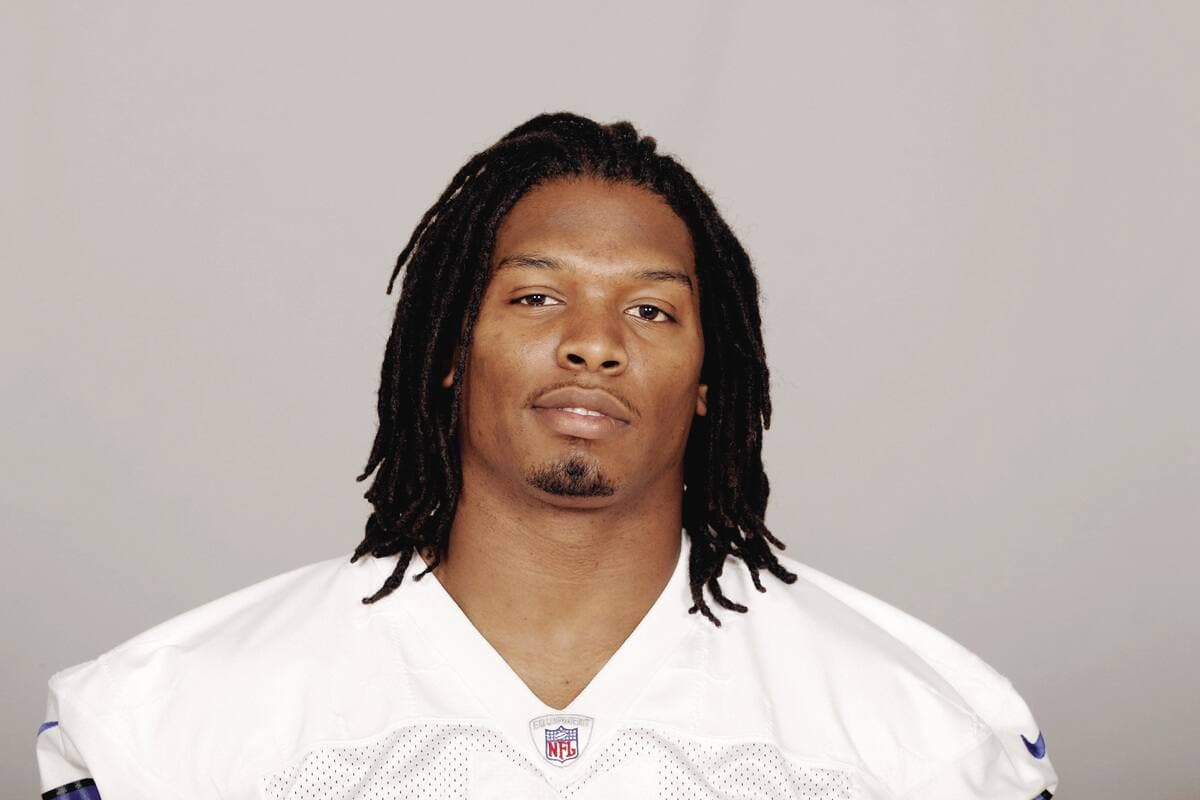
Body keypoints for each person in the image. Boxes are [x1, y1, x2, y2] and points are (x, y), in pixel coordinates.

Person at [36, 112, 1059, 799]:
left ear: (712, 377)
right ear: (448, 347)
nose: (594, 343)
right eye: (536, 296)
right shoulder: (163, 722)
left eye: (651, 310)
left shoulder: (931, 732)